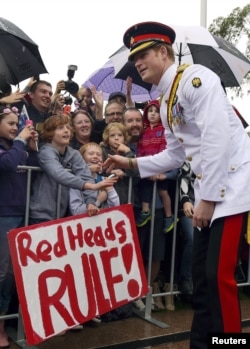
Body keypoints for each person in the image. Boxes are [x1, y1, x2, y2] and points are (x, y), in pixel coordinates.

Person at [104, 21, 250, 347]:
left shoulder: (195, 79)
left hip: (232, 188)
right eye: (134, 56)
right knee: (202, 279)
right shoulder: (167, 97)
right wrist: (130, 163)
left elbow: (216, 138)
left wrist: (208, 199)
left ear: (163, 52)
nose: (137, 61)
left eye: (143, 54)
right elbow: (174, 155)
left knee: (218, 278)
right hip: (212, 192)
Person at [29, 114, 117, 225]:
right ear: (50, 134)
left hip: (61, 215)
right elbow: (59, 173)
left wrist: (90, 202)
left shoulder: (73, 153)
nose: (66, 131)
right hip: (41, 214)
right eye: (61, 128)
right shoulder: (45, 151)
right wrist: (89, 185)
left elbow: (86, 175)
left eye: (68, 127)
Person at [0, 105, 38, 347]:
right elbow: (7, 165)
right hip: (4, 215)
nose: (16, 127)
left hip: (21, 214)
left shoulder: (15, 147)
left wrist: (32, 148)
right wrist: (22, 140)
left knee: (13, 274)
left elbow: (31, 165)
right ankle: (0, 327)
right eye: (10, 123)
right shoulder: (11, 148)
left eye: (17, 124)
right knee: (2, 274)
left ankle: (6, 321)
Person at [136, 99, 176, 233]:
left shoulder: (163, 130)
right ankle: (145, 211)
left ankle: (169, 216)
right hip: (147, 166)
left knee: (163, 191)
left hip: (159, 166)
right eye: (150, 111)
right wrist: (141, 162)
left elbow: (164, 149)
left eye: (156, 111)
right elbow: (140, 149)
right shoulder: (144, 132)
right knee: (144, 185)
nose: (152, 114)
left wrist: (158, 169)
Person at [69, 142, 120, 215]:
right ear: (81, 158)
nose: (95, 156)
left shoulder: (104, 180)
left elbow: (116, 208)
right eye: (91, 153)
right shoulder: (76, 182)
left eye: (98, 155)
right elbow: (76, 210)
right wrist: (98, 201)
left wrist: (110, 190)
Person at [101, 122, 134, 204]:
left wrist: (128, 153)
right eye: (112, 135)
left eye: (120, 135)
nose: (116, 138)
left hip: (127, 196)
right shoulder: (102, 151)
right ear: (107, 138)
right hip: (108, 197)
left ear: (125, 138)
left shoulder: (129, 152)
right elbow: (100, 170)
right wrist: (111, 172)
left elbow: (136, 171)